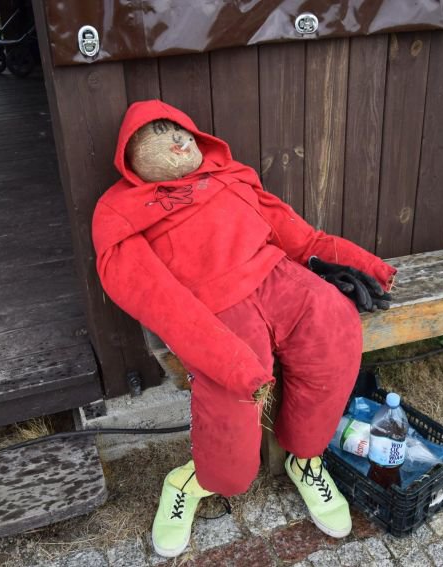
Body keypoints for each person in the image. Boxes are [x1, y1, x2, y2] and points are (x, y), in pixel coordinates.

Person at [93, 100, 397, 558]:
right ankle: (193, 481)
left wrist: (369, 266)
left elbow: (298, 236)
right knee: (231, 402)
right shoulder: (118, 210)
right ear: (132, 156)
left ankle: (305, 457)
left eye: (182, 134)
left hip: (276, 274)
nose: (179, 144)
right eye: (163, 138)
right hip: (212, 305)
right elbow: (156, 297)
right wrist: (228, 359)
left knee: (334, 327)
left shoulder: (228, 175)